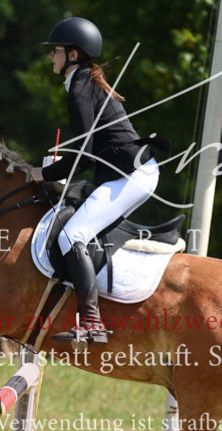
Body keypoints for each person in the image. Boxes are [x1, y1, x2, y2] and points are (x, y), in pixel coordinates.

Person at [28, 17, 161, 348]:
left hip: (132, 175)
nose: (51, 57)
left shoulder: (80, 86)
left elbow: (85, 152)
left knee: (73, 235)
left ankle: (92, 324)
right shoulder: (83, 82)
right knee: (79, 229)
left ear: (72, 54)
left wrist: (45, 173)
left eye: (55, 51)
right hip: (125, 173)